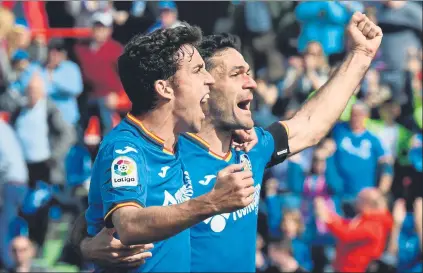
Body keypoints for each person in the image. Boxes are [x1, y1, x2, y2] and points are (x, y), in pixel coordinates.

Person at [74, 12, 384, 271]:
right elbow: (107, 217)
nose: (252, 82)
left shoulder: (249, 149)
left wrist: (360, 55)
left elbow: (310, 126)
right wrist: (86, 245)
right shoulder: (162, 148)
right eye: (236, 74)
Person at [84, 23, 258, 273]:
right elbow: (128, 224)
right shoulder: (125, 148)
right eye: (198, 70)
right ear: (164, 88)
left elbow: (94, 211)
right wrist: (212, 202)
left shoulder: (176, 142)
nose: (209, 79)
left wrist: (234, 127)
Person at [314, 187, 393, 272]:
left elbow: (347, 234)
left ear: (367, 202)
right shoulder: (366, 218)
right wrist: (327, 214)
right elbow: (346, 224)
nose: (355, 201)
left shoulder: (376, 223)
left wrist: (327, 219)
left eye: (359, 199)